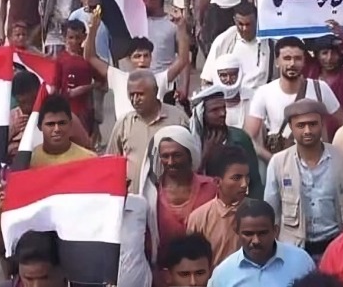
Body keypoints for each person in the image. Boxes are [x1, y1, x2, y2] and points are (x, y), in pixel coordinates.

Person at [264, 99, 343, 257]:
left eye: (313, 124)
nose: (307, 130)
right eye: (300, 126)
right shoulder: (279, 162)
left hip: (336, 246)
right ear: (291, 128)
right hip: (294, 250)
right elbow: (271, 210)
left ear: (322, 125)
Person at [245, 36, 343, 163]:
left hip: (319, 163)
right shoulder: (264, 92)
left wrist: (333, 155)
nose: (292, 64)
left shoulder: (320, 88)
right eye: (287, 58)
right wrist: (272, 160)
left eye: (297, 58)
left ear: (304, 61)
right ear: (277, 61)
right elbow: (248, 137)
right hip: (283, 164)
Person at [139, 126, 218, 265]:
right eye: (165, 156)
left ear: (189, 154)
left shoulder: (211, 188)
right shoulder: (151, 194)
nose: (171, 162)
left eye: (177, 155)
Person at [105, 69, 191, 191]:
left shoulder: (178, 119)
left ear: (155, 91)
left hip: (171, 197)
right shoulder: (124, 124)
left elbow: (191, 159)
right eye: (131, 95)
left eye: (140, 94)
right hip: (134, 200)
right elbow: (111, 163)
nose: (135, 100)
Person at [209, 199, 316, 286]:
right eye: (248, 234)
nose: (256, 241)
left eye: (262, 233)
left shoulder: (301, 262)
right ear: (237, 232)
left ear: (275, 231)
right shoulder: (223, 273)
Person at [189, 83, 264, 198]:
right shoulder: (191, 141)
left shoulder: (239, 138)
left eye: (224, 108)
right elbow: (189, 181)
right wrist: (205, 156)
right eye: (215, 110)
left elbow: (254, 181)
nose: (222, 113)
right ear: (202, 114)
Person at [187, 145, 252, 266]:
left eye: (247, 177)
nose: (244, 184)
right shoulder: (199, 218)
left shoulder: (257, 212)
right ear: (217, 182)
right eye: (236, 178)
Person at [200, 2, 272, 103]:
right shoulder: (225, 40)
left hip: (258, 101)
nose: (244, 29)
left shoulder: (268, 43)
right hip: (229, 102)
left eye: (248, 24)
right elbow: (207, 80)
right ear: (235, 21)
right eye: (241, 24)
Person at [30, 94, 97, 168]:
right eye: (50, 124)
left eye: (62, 123)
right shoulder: (30, 161)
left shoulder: (89, 159)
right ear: (39, 127)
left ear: (71, 124)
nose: (57, 129)